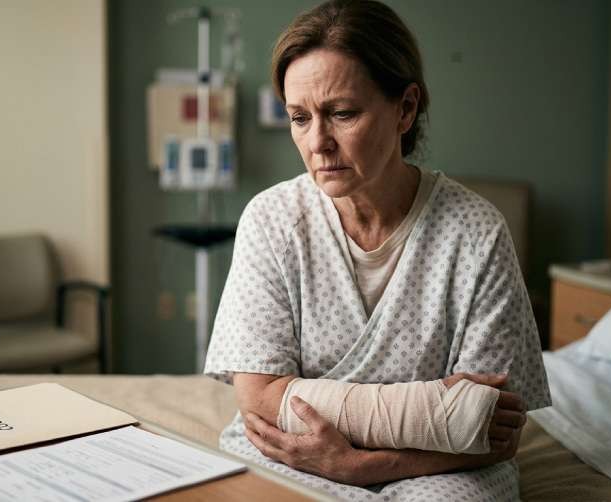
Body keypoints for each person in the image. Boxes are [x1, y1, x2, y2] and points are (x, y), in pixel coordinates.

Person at [204, 0, 551, 499]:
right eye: (299, 118)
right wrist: (430, 413)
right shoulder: (273, 219)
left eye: (341, 113)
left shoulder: (476, 232)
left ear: (405, 108)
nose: (318, 142)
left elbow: (491, 430)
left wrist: (357, 466)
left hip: (443, 469)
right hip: (293, 451)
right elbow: (259, 403)